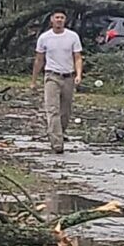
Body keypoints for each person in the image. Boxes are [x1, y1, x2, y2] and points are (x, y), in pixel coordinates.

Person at [32, 8, 83, 153]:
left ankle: (59, 132)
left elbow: (77, 57)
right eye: (57, 17)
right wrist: (34, 80)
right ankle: (57, 143)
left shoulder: (72, 36)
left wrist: (78, 74)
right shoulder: (44, 38)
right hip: (51, 76)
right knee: (52, 109)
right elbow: (39, 59)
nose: (59, 20)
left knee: (65, 112)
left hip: (68, 76)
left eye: (62, 17)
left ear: (65, 20)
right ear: (52, 20)